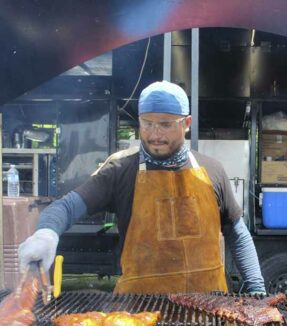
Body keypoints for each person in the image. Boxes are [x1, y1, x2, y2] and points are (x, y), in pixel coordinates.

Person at [19, 81, 266, 294]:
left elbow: (236, 231)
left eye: (165, 124)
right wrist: (46, 233)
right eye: (147, 123)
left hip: (207, 309)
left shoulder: (212, 170)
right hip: (139, 311)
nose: (154, 133)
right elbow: (66, 207)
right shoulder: (120, 172)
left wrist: (255, 283)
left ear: (186, 123)